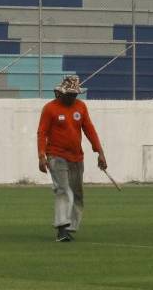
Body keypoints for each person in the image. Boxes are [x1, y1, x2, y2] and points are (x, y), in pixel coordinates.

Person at [37, 74, 106, 242]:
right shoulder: (49, 109)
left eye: (75, 94)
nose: (72, 97)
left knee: (77, 194)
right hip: (56, 155)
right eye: (70, 94)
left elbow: (89, 130)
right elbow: (42, 133)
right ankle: (61, 228)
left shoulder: (81, 107)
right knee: (63, 190)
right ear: (60, 93)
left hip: (76, 157)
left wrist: (100, 152)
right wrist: (41, 156)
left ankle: (69, 227)